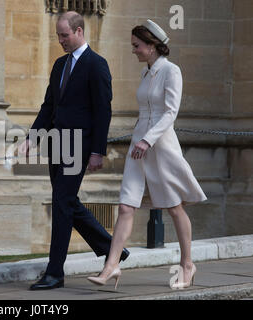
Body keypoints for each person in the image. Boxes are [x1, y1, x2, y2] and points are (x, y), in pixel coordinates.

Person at [87, 20, 207, 290]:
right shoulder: (146, 73)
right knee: (126, 205)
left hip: (160, 146)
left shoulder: (171, 71)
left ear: (152, 46)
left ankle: (188, 264)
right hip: (137, 146)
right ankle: (111, 266)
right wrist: (138, 140)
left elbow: (170, 112)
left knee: (174, 208)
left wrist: (148, 140)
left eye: (137, 46)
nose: (134, 51)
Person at [19, 11, 129, 291]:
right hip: (57, 145)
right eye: (58, 35)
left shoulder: (97, 65)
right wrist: (32, 138)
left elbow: (103, 111)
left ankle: (55, 272)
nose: (60, 41)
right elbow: (48, 107)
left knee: (61, 203)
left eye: (64, 35)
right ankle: (110, 247)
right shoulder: (58, 65)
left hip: (79, 147)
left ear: (79, 32)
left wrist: (97, 152)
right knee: (66, 201)